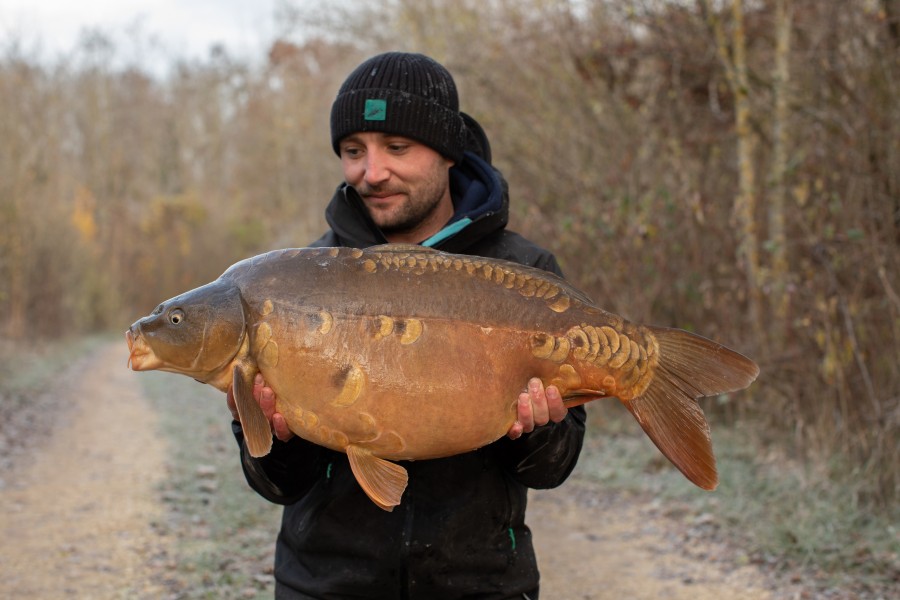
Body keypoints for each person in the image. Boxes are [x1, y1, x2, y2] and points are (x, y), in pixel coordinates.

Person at [227, 51, 587, 600]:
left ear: (447, 153)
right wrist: (276, 436)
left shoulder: (524, 275)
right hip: (324, 584)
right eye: (353, 152)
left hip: (481, 584)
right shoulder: (299, 281)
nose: (372, 173)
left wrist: (539, 429)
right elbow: (278, 485)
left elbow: (551, 468)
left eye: (397, 148)